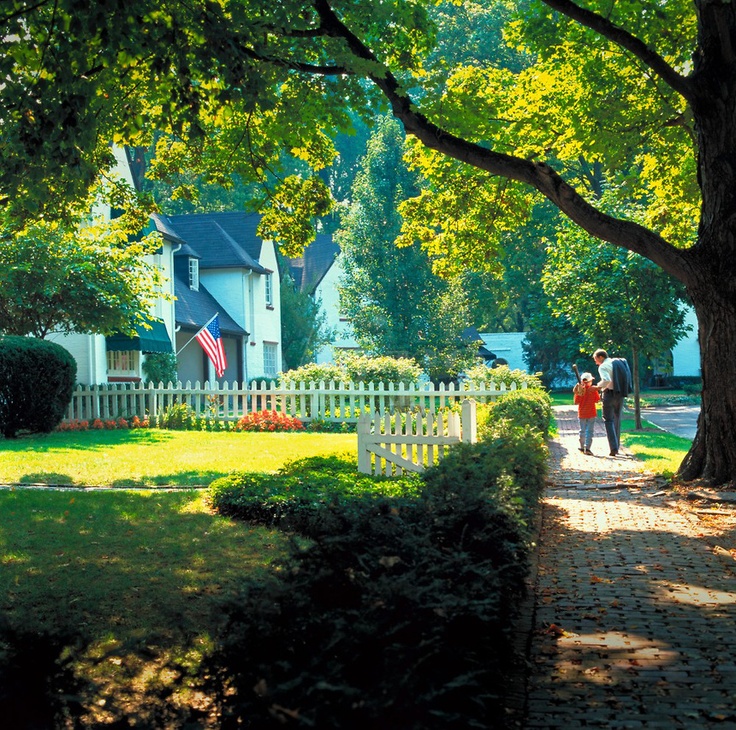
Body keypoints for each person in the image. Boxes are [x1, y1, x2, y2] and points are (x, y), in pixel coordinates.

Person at [592, 348, 632, 457]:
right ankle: (617, 445)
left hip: (609, 394)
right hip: (620, 393)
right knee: (617, 418)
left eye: (596, 359)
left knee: (608, 420)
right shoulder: (617, 363)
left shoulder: (603, 366)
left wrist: (597, 387)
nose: (595, 362)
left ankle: (613, 447)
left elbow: (606, 380)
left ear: (601, 357)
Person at [573, 372, 600, 454]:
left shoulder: (579, 390)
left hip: (582, 413)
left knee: (582, 430)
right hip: (591, 413)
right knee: (590, 431)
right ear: (589, 381)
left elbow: (576, 402)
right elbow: (597, 400)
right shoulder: (593, 390)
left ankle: (581, 446)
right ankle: (587, 448)